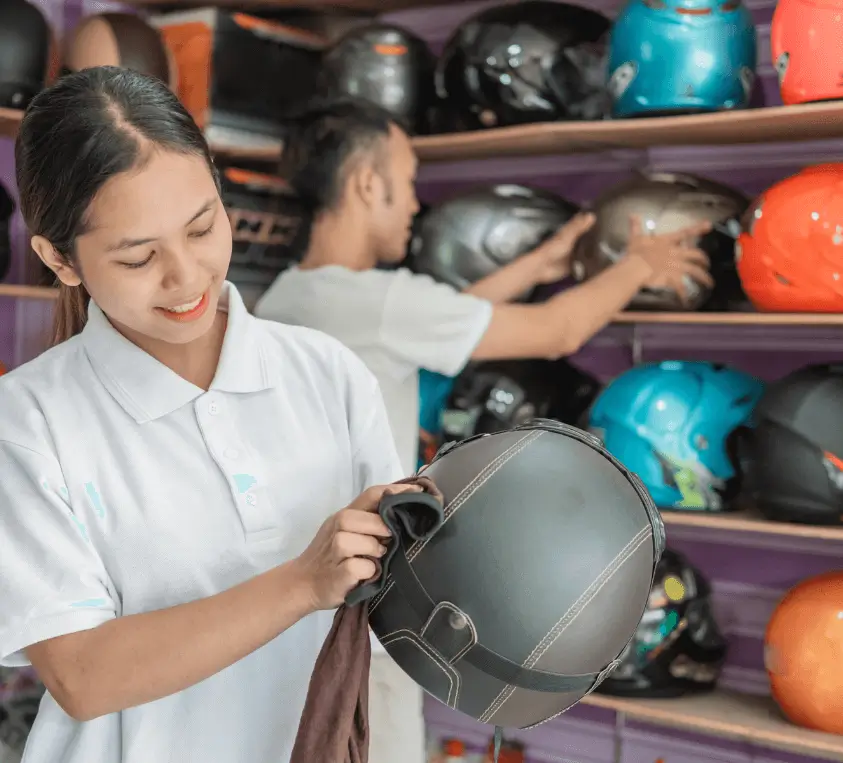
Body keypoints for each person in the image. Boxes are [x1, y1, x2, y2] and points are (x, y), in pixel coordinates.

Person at [253, 98, 714, 761]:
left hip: (307, 580)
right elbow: (558, 331)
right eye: (407, 180)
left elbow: (445, 319)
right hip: (365, 596)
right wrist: (642, 263)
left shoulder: (291, 296)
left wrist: (537, 266)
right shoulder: (375, 302)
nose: (414, 203)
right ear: (364, 184)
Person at [0, 66, 419, 763]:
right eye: (138, 257)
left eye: (202, 226)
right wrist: (300, 582)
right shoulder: (27, 420)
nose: (187, 276)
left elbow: (388, 606)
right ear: (58, 258)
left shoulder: (327, 373)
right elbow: (81, 674)